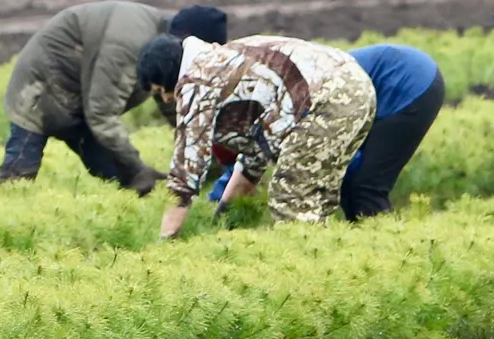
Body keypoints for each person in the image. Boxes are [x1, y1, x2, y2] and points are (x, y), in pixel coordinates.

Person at [143, 32, 377, 236]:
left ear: (168, 74)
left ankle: (306, 283)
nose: (165, 99)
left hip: (326, 98)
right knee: (316, 201)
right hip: (356, 87)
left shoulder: (197, 81)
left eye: (160, 90)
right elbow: (254, 155)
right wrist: (222, 217)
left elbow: (185, 174)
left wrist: (166, 242)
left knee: (291, 204)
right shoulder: (222, 61)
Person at [0, 1, 230, 193]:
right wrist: (137, 166)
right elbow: (101, 115)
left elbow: (177, 107)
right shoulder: (129, 44)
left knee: (128, 180)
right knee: (16, 180)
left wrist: (208, 160)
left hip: (85, 98)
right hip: (41, 87)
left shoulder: (164, 49)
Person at [340, 42, 446, 221]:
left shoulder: (302, 105)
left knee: (366, 187)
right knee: (350, 185)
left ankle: (388, 243)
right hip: (397, 80)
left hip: (410, 82)